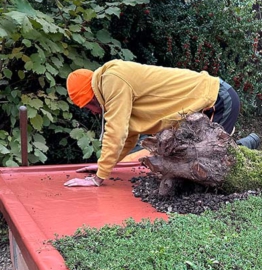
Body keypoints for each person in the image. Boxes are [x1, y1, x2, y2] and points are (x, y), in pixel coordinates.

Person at [64, 60, 240, 187]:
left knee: (213, 163)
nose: (93, 113)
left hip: (216, 99)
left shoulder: (112, 80)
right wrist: (104, 165)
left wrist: (98, 178)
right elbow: (128, 137)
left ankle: (248, 148)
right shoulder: (112, 83)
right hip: (212, 99)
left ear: (92, 97)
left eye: (89, 107)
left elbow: (116, 132)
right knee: (207, 161)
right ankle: (244, 147)